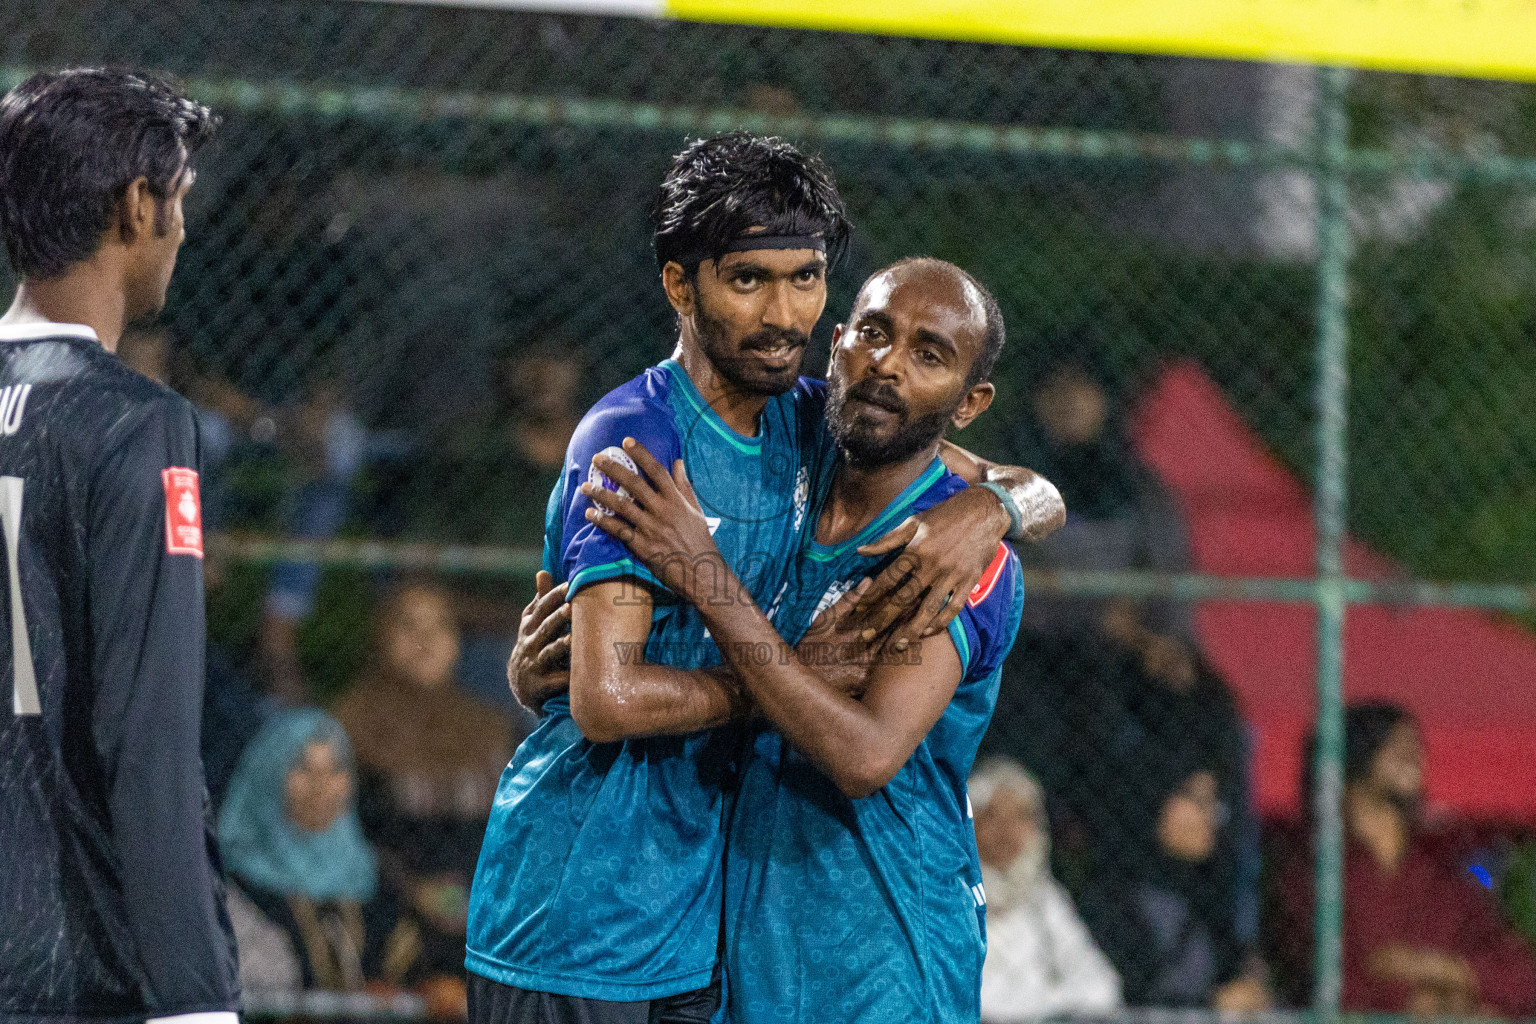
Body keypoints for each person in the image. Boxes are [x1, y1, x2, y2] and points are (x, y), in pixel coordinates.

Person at [468, 134, 1062, 1024]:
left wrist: (1002, 509)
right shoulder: (637, 439)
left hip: (729, 939)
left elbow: (992, 477)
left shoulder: (828, 434)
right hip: (580, 924)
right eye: (749, 281)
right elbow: (606, 700)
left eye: (806, 279)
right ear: (682, 286)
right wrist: (787, 673)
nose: (785, 314)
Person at [578, 258, 1030, 1022]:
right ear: (838, 343)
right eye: (875, 334)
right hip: (738, 954)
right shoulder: (791, 461)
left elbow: (864, 755)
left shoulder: (952, 557)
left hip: (882, 961)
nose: (888, 364)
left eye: (930, 355)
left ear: (969, 402)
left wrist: (706, 578)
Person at [0, 69, 240, 1024]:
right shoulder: (134, 423)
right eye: (178, 198)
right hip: (68, 956)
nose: (182, 228)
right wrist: (194, 995)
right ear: (138, 207)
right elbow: (147, 742)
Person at [1278, 702, 1536, 1016]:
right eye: (1395, 744)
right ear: (1354, 756)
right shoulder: (1316, 873)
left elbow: (1519, 972)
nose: (1414, 754)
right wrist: (1418, 1003)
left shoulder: (1441, 871)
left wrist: (1442, 969)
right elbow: (1333, 983)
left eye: (1415, 745)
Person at [334, 583, 512, 980]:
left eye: (441, 626)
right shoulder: (353, 725)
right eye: (409, 626)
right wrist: (413, 890)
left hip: (486, 915)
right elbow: (348, 838)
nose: (426, 641)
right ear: (383, 637)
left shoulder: (491, 727)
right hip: (388, 915)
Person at [218, 709, 399, 993]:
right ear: (268, 776)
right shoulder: (231, 888)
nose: (321, 787)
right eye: (303, 769)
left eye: (335, 769)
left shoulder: (376, 881)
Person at [1076, 753, 1269, 1011]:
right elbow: (1122, 998)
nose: (1211, 816)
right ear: (1157, 802)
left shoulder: (1209, 896)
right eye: (1198, 800)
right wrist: (1210, 1006)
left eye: (1214, 803)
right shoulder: (1112, 900)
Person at [968, 758, 1122, 1021]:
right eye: (992, 815)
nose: (1006, 830)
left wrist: (1041, 1004)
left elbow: (1102, 987)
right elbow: (968, 996)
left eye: (1020, 816)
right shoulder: (950, 894)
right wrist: (1051, 1002)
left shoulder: (1044, 898)